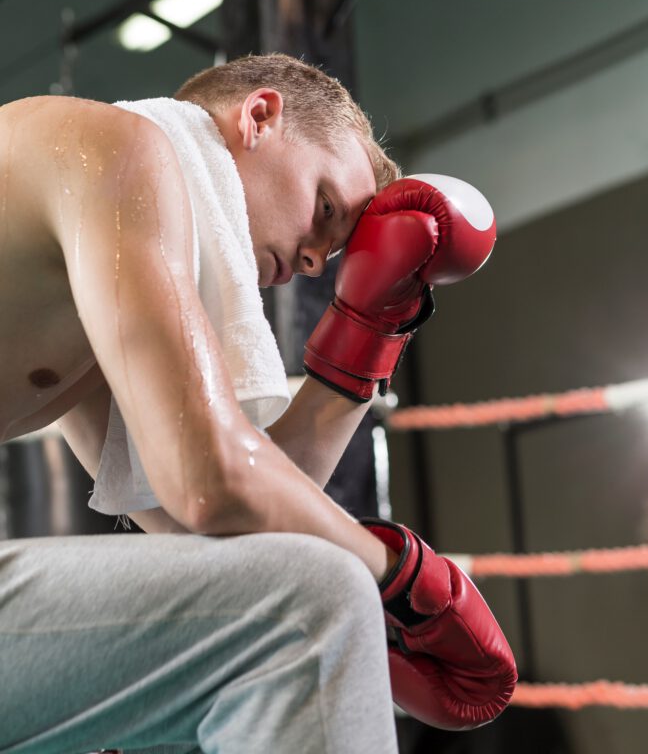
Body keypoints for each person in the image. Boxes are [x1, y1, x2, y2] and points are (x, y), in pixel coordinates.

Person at [0, 53, 516, 754]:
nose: (312, 262)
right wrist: (403, 578)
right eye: (325, 208)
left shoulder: (91, 276)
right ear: (260, 117)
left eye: (330, 257)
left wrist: (366, 337)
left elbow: (215, 533)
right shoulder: (117, 149)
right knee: (317, 599)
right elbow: (211, 484)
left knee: (292, 597)